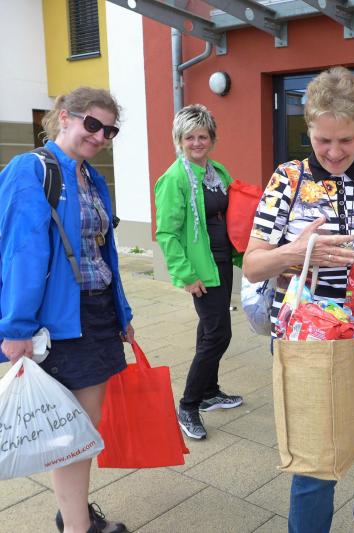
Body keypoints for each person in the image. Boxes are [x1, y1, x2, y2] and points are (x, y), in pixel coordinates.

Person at [243, 66, 354, 533]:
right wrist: (294, 252)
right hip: (306, 341)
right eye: (323, 140)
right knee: (315, 465)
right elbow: (252, 265)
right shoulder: (287, 179)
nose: (335, 152)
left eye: (346, 139)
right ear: (309, 129)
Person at [0, 87, 132, 533]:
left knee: (83, 427)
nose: (100, 136)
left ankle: (73, 513)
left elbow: (102, 251)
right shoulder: (32, 169)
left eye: (109, 130)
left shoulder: (90, 177)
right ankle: (78, 526)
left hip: (97, 314)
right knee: (72, 432)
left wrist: (122, 313)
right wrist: (16, 327)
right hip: (62, 320)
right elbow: (22, 252)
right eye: (92, 124)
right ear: (64, 117)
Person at [154, 104, 244, 441]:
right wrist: (186, 275)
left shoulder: (217, 172)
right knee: (219, 334)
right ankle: (188, 405)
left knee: (209, 328)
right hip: (200, 268)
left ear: (212, 139)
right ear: (179, 140)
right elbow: (167, 233)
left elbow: (234, 209)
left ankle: (209, 392)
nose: (196, 143)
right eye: (189, 137)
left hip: (222, 261)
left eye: (202, 136)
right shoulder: (175, 178)